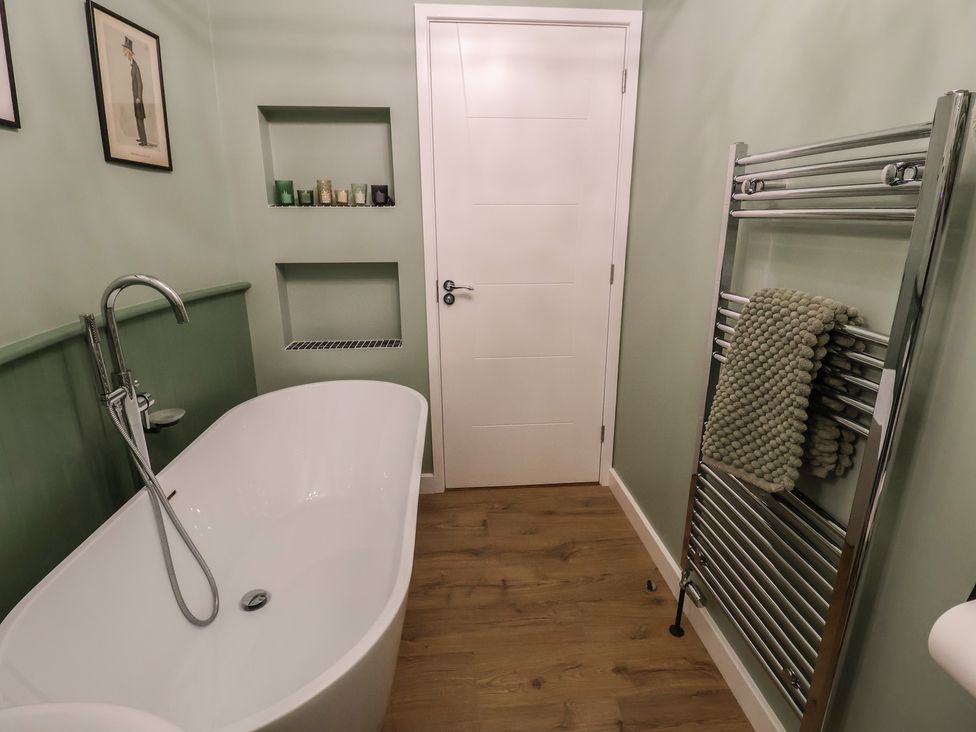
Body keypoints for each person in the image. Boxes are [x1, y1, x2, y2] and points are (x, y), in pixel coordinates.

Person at [122, 36, 148, 147]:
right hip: (135, 97)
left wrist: (139, 97)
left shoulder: (135, 66)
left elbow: (140, 84)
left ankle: (144, 141)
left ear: (129, 52)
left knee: (140, 118)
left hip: (138, 98)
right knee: (138, 117)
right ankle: (141, 138)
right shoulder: (132, 65)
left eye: (125, 51)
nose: (124, 53)